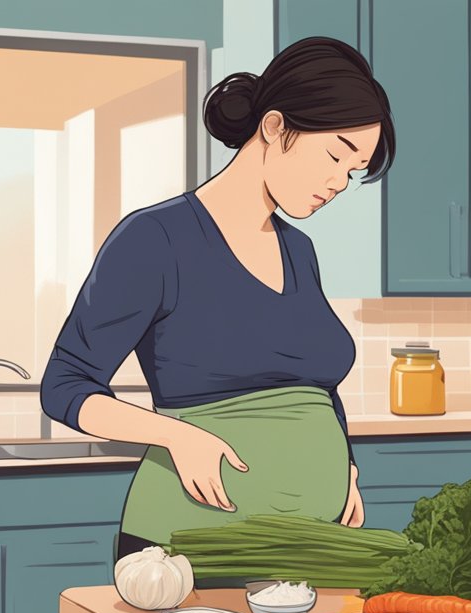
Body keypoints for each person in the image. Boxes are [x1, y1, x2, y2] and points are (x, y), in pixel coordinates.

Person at [40, 37, 395, 563]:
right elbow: (64, 387)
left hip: (312, 547)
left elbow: (315, 386)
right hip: (189, 544)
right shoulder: (155, 238)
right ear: (275, 127)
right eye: (336, 154)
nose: (338, 182)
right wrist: (178, 438)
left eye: (352, 171)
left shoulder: (299, 251)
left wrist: (344, 466)